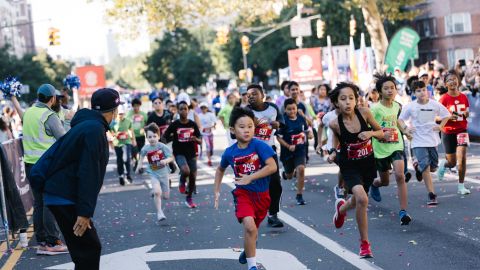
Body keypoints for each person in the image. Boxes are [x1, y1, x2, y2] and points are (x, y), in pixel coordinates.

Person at [30, 88, 121, 269]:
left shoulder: (85, 126)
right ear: (114, 111)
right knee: (88, 249)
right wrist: (84, 213)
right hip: (65, 196)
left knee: (85, 250)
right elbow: (89, 173)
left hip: (59, 193)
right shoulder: (95, 131)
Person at [214, 107, 277, 270]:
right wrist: (216, 190)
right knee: (249, 226)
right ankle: (252, 267)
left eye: (250, 126)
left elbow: (272, 167)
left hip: (263, 196)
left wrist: (250, 177)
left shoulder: (259, 146)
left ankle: (248, 248)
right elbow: (220, 169)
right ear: (233, 130)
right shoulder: (230, 152)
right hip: (243, 195)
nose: (247, 130)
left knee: (253, 231)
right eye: (242, 127)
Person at [328, 82, 383, 258]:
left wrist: (371, 134)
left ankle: (342, 210)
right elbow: (335, 144)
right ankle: (365, 244)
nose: (347, 102)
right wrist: (332, 154)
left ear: (356, 100)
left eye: (351, 98)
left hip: (367, 163)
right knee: (362, 198)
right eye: (343, 99)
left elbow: (381, 132)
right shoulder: (334, 124)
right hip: (349, 166)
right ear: (336, 103)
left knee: (358, 200)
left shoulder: (365, 113)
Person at [12, 84, 68, 255]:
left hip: (30, 164)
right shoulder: (49, 115)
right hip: (46, 165)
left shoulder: (28, 112)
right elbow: (64, 139)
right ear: (52, 99)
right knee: (49, 202)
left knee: (39, 203)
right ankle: (53, 242)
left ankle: (42, 241)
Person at [398, 81, 452, 205]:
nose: (421, 92)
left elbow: (446, 115)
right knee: (426, 168)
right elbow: (400, 120)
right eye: (418, 91)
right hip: (417, 140)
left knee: (433, 167)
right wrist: (406, 129)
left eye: (423, 89)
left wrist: (440, 127)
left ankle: (418, 167)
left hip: (432, 139)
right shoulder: (410, 106)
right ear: (414, 93)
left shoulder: (434, 104)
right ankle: (431, 195)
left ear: (427, 90)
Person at [369, 73, 412, 225]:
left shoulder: (397, 106)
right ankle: (375, 184)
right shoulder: (374, 109)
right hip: (380, 149)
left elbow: (398, 122)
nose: (390, 91)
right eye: (386, 88)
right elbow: (370, 130)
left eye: (392, 88)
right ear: (379, 91)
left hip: (396, 145)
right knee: (385, 181)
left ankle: (403, 211)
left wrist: (406, 131)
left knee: (400, 176)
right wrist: (380, 135)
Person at [247, 84, 285, 228]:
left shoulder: (273, 108)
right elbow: (234, 131)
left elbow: (283, 123)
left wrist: (278, 124)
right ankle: (252, 211)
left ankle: (273, 214)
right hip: (251, 152)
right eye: (248, 94)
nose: (250, 96)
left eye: (254, 93)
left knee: (275, 183)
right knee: (255, 184)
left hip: (269, 150)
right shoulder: (245, 111)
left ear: (262, 95)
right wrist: (251, 126)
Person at [437, 71, 471, 195]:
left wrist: (466, 114)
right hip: (448, 132)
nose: (452, 81)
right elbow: (436, 118)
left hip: (462, 130)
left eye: (454, 79)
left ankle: (461, 186)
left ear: (458, 81)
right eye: (449, 80)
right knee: (452, 163)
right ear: (446, 84)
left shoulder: (464, 97)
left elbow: (467, 113)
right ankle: (444, 163)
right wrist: (448, 118)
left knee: (462, 159)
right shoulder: (443, 99)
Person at [163, 101, 202, 208]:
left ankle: (189, 198)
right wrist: (164, 146)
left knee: (193, 176)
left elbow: (200, 139)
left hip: (191, 153)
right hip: (179, 152)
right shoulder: (175, 124)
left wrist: (196, 139)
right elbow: (165, 136)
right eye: (181, 109)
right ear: (178, 111)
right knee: (185, 171)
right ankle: (182, 180)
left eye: (185, 109)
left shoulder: (192, 124)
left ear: (188, 110)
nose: (183, 111)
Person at [276, 98, 311, 205]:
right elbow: (278, 137)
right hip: (287, 153)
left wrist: (309, 134)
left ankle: (299, 195)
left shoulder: (301, 118)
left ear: (297, 108)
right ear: (285, 110)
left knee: (301, 169)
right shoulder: (283, 121)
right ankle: (286, 174)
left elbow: (306, 130)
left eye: (294, 109)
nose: (292, 111)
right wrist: (288, 145)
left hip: (300, 150)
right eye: (289, 109)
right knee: (290, 175)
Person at [136, 123, 173, 221]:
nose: (152, 139)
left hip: (164, 173)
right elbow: (142, 156)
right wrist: (139, 165)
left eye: (154, 136)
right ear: (146, 137)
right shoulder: (146, 148)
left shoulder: (162, 146)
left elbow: (171, 157)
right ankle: (159, 213)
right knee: (157, 192)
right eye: (149, 137)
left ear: (159, 136)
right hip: (153, 173)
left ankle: (153, 191)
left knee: (166, 196)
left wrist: (165, 161)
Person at [111, 105, 136, 185]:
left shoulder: (128, 121)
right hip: (117, 143)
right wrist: (115, 135)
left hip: (127, 142)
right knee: (119, 160)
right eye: (119, 114)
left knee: (127, 159)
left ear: (124, 114)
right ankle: (121, 175)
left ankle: (128, 174)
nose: (121, 115)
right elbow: (109, 132)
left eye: (122, 114)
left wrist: (133, 140)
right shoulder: (113, 122)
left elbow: (131, 131)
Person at [128, 98, 148, 172]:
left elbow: (147, 124)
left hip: (141, 136)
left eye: (138, 106)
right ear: (132, 106)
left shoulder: (143, 114)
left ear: (140, 106)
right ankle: (136, 162)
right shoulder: (129, 114)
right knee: (134, 152)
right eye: (134, 106)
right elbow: (127, 125)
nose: (136, 107)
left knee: (141, 152)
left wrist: (144, 128)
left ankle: (140, 166)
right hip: (133, 136)